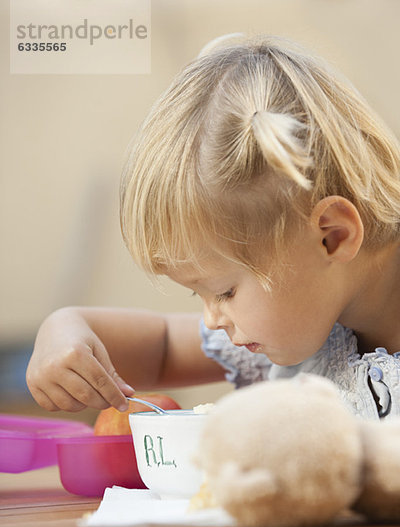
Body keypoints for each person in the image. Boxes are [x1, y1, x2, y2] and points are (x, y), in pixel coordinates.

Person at [27, 34, 400, 419]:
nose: (211, 320)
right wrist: (64, 329)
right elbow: (164, 349)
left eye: (225, 291)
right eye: (199, 295)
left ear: (332, 236)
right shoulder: (313, 311)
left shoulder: (305, 308)